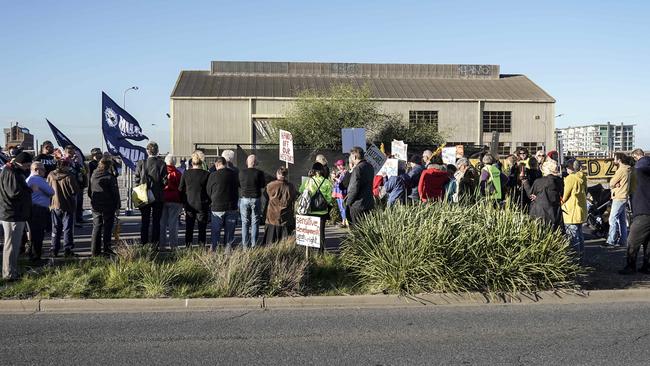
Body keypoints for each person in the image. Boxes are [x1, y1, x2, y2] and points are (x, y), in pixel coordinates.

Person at [0, 152, 32, 280]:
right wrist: (29, 190)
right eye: (28, 165)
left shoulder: (12, 171)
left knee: (13, 245)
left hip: (15, 213)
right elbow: (14, 192)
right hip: (12, 214)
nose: (28, 168)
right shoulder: (10, 172)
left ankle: (11, 271)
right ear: (21, 162)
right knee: (11, 245)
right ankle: (9, 274)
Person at [619, 152, 650, 274]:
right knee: (648, 241)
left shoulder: (640, 171)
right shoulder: (644, 175)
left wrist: (637, 164)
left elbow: (641, 167)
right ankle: (647, 267)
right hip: (645, 211)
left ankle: (631, 266)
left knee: (633, 239)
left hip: (643, 212)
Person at [135, 142, 167, 246]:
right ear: (157, 151)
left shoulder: (141, 163)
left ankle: (144, 242)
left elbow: (137, 179)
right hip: (158, 195)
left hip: (143, 194)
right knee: (156, 221)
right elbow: (165, 181)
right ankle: (155, 243)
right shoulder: (162, 163)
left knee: (145, 221)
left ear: (147, 151)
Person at [48, 158, 80, 257]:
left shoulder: (51, 175)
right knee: (67, 228)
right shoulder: (69, 176)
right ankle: (67, 249)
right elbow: (74, 190)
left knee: (56, 228)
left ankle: (54, 249)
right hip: (67, 204)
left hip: (54, 204)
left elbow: (47, 188)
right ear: (65, 166)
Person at [89, 157, 120, 256]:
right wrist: (117, 206)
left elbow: (90, 191)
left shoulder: (93, 175)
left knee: (97, 227)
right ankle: (107, 248)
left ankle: (95, 251)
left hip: (96, 204)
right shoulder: (109, 177)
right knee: (107, 227)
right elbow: (115, 193)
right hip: (108, 205)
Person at [299, 163, 334, 251]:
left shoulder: (308, 180)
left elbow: (301, 191)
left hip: (311, 210)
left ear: (313, 170)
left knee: (311, 232)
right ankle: (320, 252)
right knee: (321, 232)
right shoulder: (327, 182)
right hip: (323, 211)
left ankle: (311, 251)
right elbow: (329, 198)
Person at [206, 157, 239, 252]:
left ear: (217, 165)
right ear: (225, 163)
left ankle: (213, 251)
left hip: (217, 206)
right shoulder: (234, 174)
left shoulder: (213, 175)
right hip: (231, 206)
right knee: (229, 232)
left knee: (216, 231)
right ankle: (228, 252)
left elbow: (208, 190)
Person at [179, 151, 210, 248]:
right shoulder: (206, 174)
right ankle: (201, 246)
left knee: (189, 227)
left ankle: (188, 246)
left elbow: (180, 188)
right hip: (202, 203)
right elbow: (209, 190)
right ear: (201, 163)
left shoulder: (186, 173)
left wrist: (183, 202)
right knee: (202, 228)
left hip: (189, 203)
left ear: (192, 162)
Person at [524, 159, 564, 231]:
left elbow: (530, 194)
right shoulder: (559, 181)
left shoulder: (539, 182)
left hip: (540, 213)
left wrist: (525, 182)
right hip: (555, 212)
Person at [25, 162, 54, 262]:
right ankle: (36, 256)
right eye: (43, 169)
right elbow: (51, 192)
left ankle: (32, 254)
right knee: (38, 234)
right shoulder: (37, 179)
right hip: (38, 209)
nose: (45, 171)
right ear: (37, 169)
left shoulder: (28, 179)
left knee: (33, 233)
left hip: (32, 208)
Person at [604, 153, 632, 248]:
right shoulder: (628, 169)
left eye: (615, 158)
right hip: (624, 196)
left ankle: (611, 240)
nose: (613, 160)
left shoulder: (621, 170)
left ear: (619, 160)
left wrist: (614, 184)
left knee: (612, 219)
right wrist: (616, 184)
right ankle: (623, 240)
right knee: (622, 220)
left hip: (618, 197)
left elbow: (611, 182)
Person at [562, 159, 588, 261]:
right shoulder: (583, 177)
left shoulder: (570, 178)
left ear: (569, 168)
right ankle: (581, 257)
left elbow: (565, 196)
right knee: (580, 235)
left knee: (573, 237)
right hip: (580, 210)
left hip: (571, 211)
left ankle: (574, 260)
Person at [238, 154, 266, 249]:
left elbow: (239, 184)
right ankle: (254, 245)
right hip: (255, 199)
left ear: (247, 162)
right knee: (255, 222)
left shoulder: (241, 172)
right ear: (255, 163)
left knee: (244, 222)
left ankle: (245, 246)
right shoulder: (259, 173)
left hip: (244, 198)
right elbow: (262, 185)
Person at [264, 167, 297, 245]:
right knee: (285, 243)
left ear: (277, 174)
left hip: (272, 217)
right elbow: (294, 197)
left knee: (270, 243)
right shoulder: (291, 187)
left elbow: (266, 196)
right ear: (286, 175)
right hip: (286, 218)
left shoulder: (270, 185)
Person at [345, 146, 375, 225]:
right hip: (368, 202)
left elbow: (354, 188)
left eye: (351, 156)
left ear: (354, 156)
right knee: (366, 229)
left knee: (357, 230)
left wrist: (348, 202)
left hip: (358, 205)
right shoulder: (370, 166)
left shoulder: (358, 169)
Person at [160, 154, 183, 250]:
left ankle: (162, 245)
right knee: (173, 223)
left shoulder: (162, 172)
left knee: (162, 223)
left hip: (163, 199)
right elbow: (181, 188)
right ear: (175, 162)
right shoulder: (178, 173)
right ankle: (173, 245)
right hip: (175, 200)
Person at [63, 145, 88, 227]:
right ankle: (70, 223)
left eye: (72, 152)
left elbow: (82, 172)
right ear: (65, 152)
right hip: (68, 187)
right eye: (69, 152)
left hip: (76, 185)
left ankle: (74, 221)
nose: (71, 154)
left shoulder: (74, 162)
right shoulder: (64, 161)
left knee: (75, 205)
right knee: (70, 206)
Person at [332, 159, 349, 226]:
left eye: (338, 165)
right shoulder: (339, 172)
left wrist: (335, 178)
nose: (337, 167)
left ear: (341, 165)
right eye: (337, 165)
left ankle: (345, 221)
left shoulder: (344, 172)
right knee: (340, 207)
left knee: (343, 207)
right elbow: (335, 182)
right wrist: (334, 177)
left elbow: (340, 181)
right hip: (338, 192)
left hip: (342, 192)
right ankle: (343, 221)